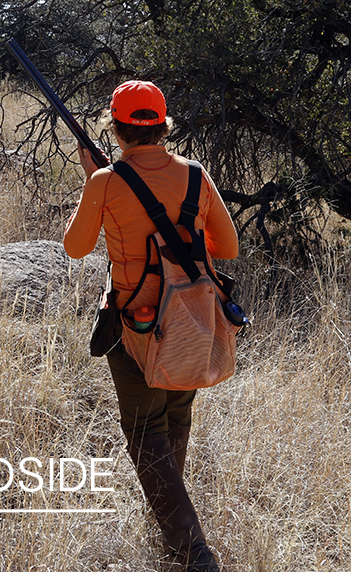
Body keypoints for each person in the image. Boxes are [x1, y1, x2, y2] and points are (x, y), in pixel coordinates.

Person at [63, 80, 238, 572]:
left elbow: (74, 248)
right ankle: (173, 535)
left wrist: (97, 184)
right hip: (193, 321)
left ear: (116, 129)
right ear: (162, 127)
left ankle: (194, 554)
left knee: (146, 436)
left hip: (136, 327)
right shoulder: (197, 176)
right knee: (175, 420)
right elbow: (227, 247)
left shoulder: (106, 181)